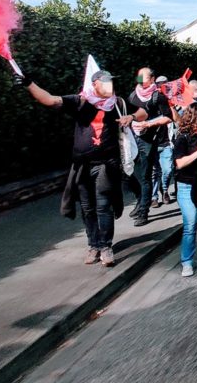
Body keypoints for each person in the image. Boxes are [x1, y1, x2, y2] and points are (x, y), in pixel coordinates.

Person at [20, 67, 145, 266]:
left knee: (103, 206)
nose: (109, 85)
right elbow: (50, 100)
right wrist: (28, 83)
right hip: (82, 165)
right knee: (88, 208)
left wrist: (131, 117)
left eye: (110, 82)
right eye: (105, 82)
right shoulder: (80, 101)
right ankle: (93, 245)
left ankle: (106, 247)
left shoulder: (118, 103)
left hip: (107, 164)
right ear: (94, 84)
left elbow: (142, 112)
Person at [126, 68, 173, 227]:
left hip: (149, 140)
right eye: (138, 76)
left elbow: (168, 117)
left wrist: (149, 124)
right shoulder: (132, 96)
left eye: (143, 77)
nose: (139, 79)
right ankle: (140, 200)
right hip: (132, 138)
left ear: (152, 79)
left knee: (146, 176)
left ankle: (143, 212)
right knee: (128, 172)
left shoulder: (157, 97)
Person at [173, 102, 197, 277]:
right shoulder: (183, 138)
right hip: (186, 186)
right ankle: (186, 262)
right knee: (191, 223)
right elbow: (179, 163)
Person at [151, 75, 175, 208]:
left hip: (166, 142)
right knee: (154, 171)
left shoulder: (171, 101)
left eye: (166, 84)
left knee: (167, 170)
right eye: (161, 84)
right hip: (154, 143)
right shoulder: (151, 101)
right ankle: (154, 197)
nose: (163, 87)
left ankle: (164, 189)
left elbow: (174, 120)